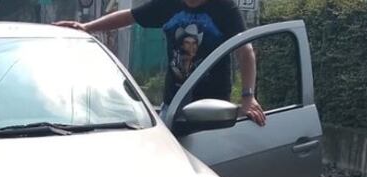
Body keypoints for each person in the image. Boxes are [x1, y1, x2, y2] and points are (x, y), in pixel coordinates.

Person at [57, 0, 266, 126]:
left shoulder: (223, 8)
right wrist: (87, 27)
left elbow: (244, 50)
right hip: (173, 102)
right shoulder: (169, 4)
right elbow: (130, 17)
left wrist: (248, 96)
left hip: (212, 105)